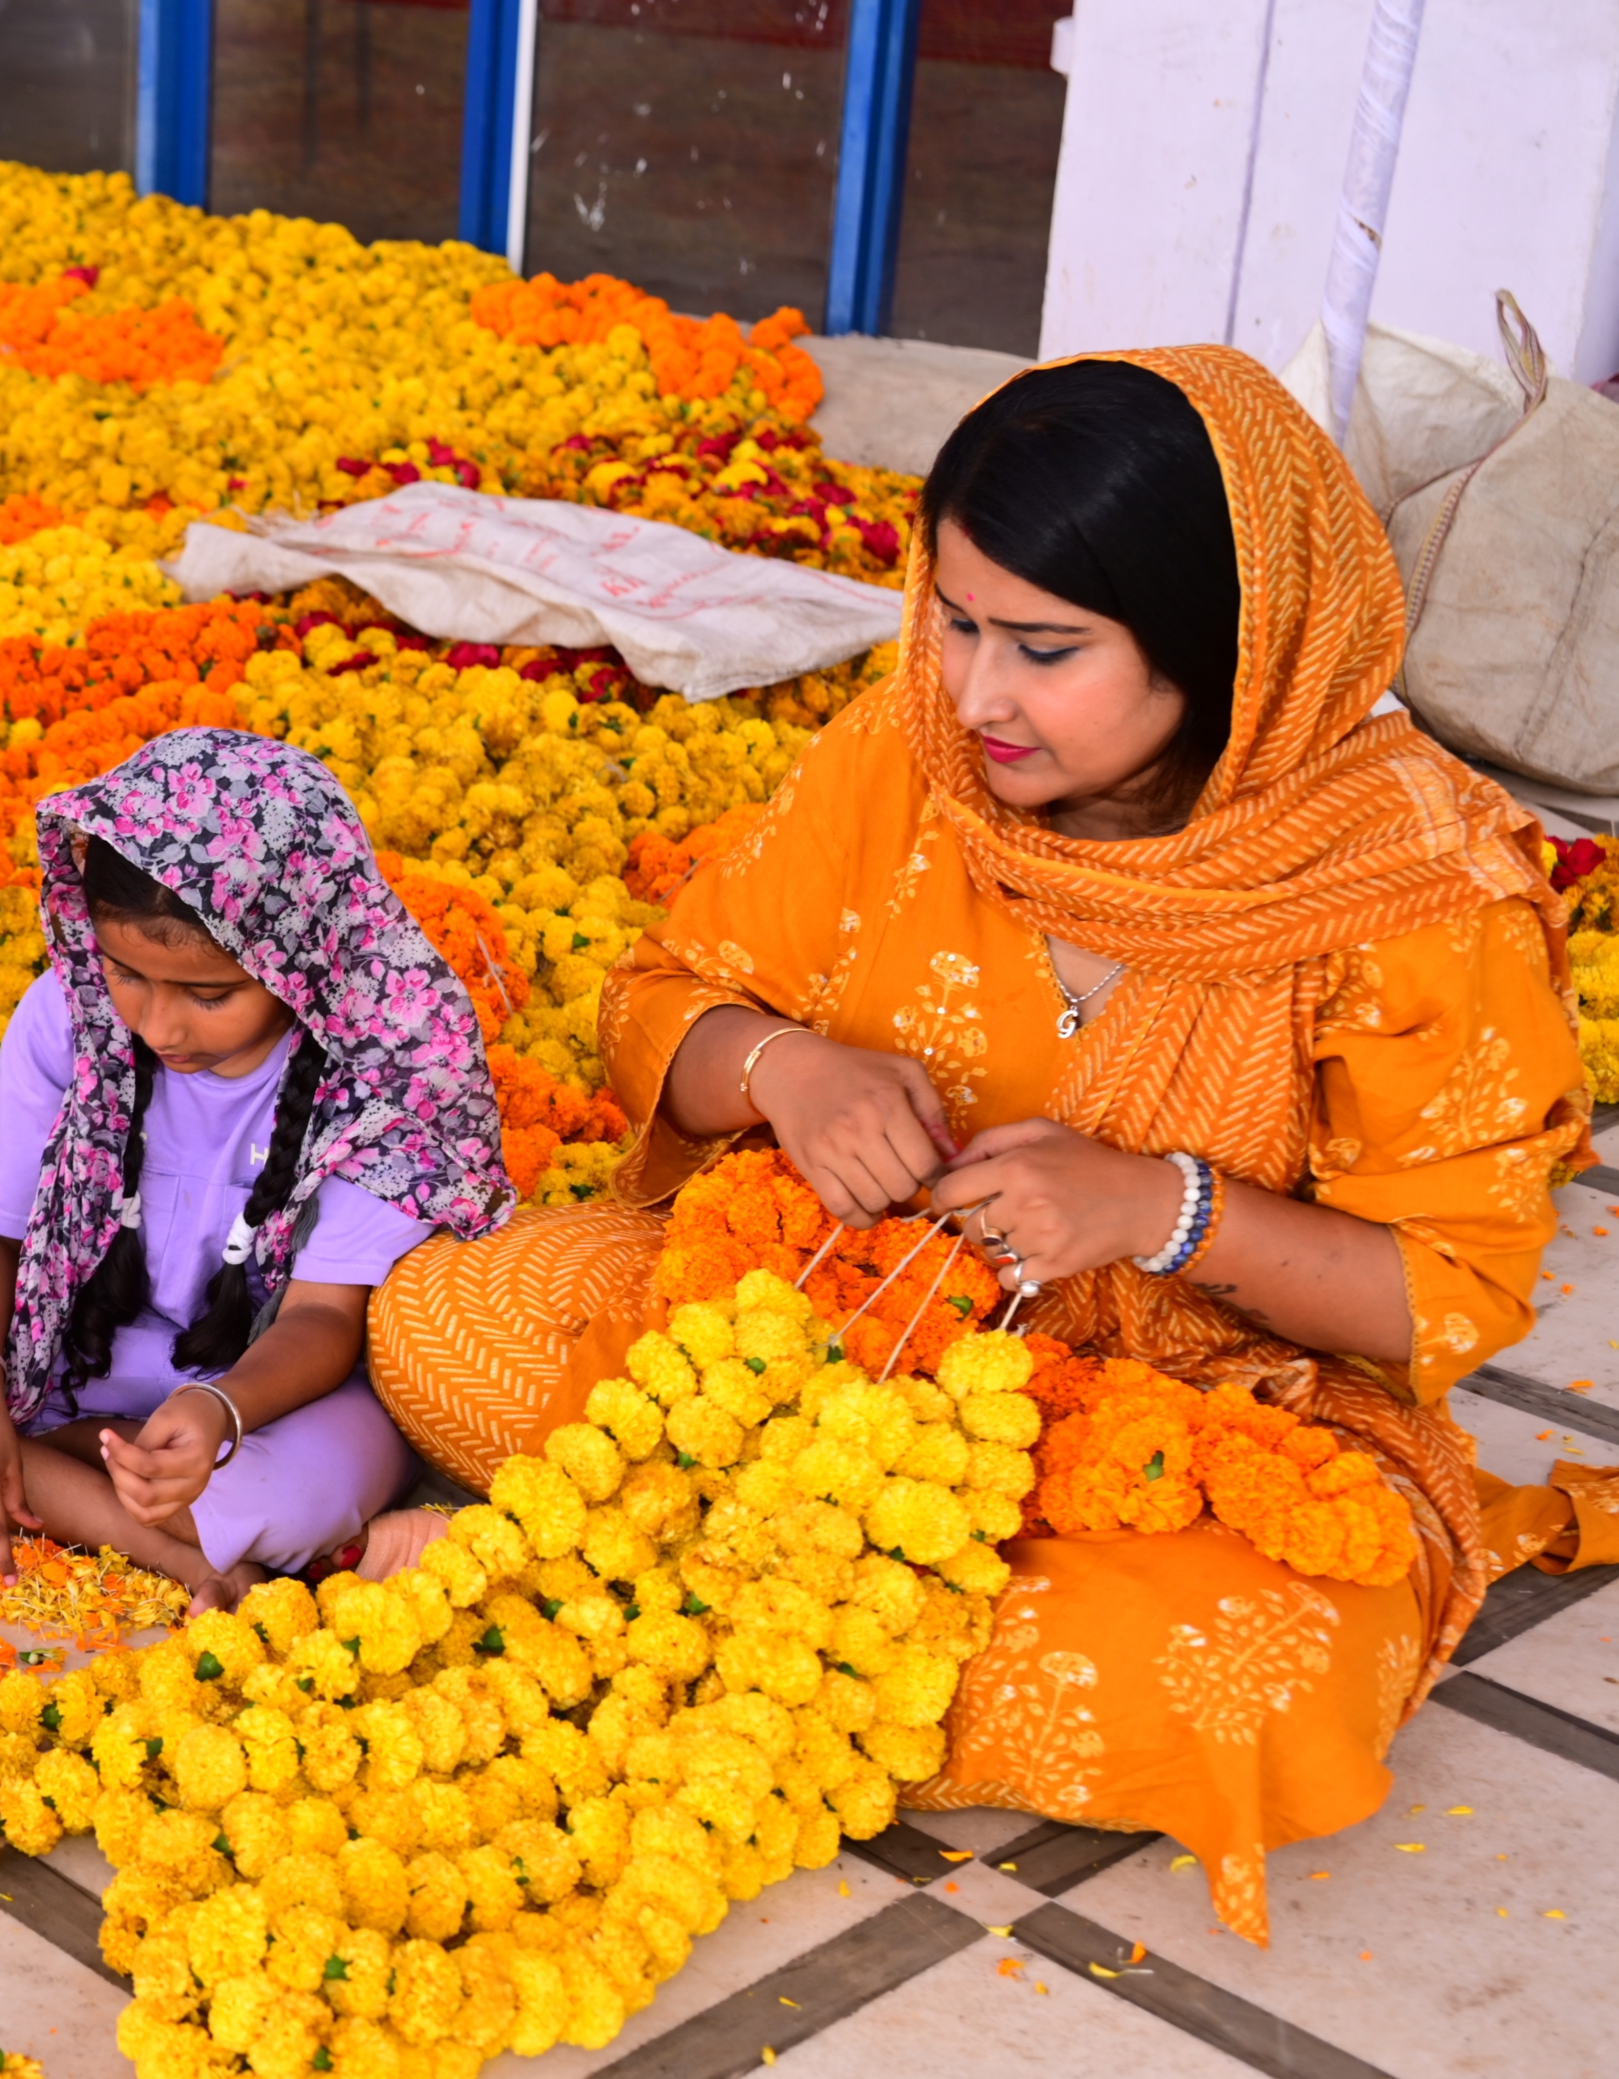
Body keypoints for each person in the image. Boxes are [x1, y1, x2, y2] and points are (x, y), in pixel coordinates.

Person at [352, 347, 1598, 1944]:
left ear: (1225, 643)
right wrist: (786, 1069)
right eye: (954, 620)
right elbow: (663, 1002)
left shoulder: (1413, 892)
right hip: (829, 1327)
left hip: (1187, 1419)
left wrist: (1165, 1210)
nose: (974, 694)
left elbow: (1444, 1294)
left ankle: (632, 1598)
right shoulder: (909, 758)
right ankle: (776, 1625)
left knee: (1252, 1674)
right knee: (445, 1315)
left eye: (1045, 647)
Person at [0, 731, 513, 1610]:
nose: (157, 1026)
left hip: (269, 1385)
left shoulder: (381, 1073)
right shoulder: (66, 1016)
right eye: (126, 975)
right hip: (64, 1343)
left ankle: (62, 1463)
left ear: (304, 961)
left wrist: (223, 1410)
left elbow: (320, 1319)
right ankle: (190, 1556)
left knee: (300, 1494)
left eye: (208, 996)